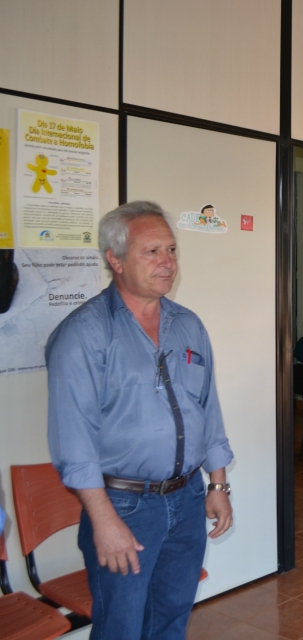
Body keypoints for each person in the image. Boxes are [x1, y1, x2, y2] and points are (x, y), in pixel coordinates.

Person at [47, 201, 234, 640]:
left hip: (187, 498)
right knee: (122, 629)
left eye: (171, 250)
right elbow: (73, 442)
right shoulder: (83, 334)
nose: (167, 262)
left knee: (171, 620)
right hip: (124, 508)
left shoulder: (188, 325)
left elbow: (207, 410)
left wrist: (218, 485)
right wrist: (104, 521)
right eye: (152, 252)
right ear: (115, 259)